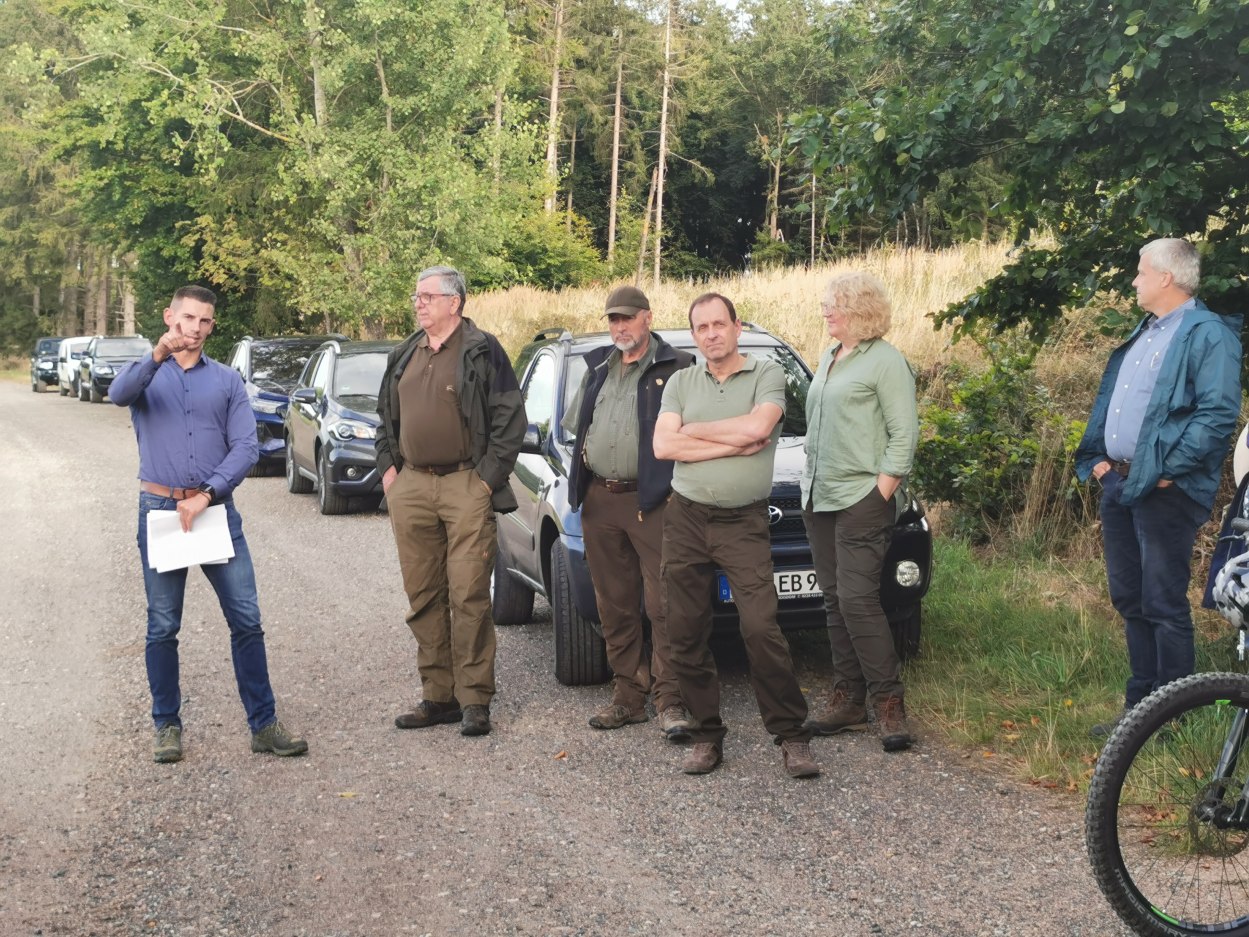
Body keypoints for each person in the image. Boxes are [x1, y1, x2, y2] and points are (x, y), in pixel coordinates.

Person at [110, 285, 308, 764]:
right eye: (187, 319)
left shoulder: (226, 381)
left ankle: (263, 725)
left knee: (246, 620)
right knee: (162, 625)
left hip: (215, 513)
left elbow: (246, 447)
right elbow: (118, 395)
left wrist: (207, 493)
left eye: (204, 321)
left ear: (212, 326)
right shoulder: (146, 376)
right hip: (160, 513)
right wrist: (157, 352)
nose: (195, 329)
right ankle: (166, 727)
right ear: (170, 317)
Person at [1075, 238, 1242, 737]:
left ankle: (1172, 717)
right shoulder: (1148, 330)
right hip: (1120, 482)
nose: (1134, 280)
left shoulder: (1208, 334)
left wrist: (1167, 470)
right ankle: (1139, 713)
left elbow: (1217, 415)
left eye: (1141, 272)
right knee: (1129, 598)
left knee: (1163, 603)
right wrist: (1103, 466)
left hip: (1165, 489)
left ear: (1167, 277)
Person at [653, 292, 819, 778]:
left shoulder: (767, 374)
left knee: (761, 629)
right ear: (694, 334)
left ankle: (791, 736)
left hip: (743, 522)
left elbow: (760, 428)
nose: (710, 334)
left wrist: (696, 434)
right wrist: (734, 437)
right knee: (684, 631)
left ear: (736, 327)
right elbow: (664, 444)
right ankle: (707, 737)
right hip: (685, 518)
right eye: (701, 327)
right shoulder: (681, 380)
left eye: (718, 325)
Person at [376, 266, 525, 738]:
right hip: (412, 486)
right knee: (423, 594)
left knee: (469, 594)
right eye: (416, 296)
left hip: (466, 484)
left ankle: (474, 700)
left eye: (427, 296)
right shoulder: (405, 352)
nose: (418, 303)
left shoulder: (483, 350)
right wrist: (390, 472)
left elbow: (509, 419)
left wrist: (486, 481)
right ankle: (437, 696)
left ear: (454, 302)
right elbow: (383, 416)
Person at [562, 285, 695, 738]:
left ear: (647, 318)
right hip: (601, 500)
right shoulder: (597, 368)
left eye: (627, 318)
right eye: (613, 319)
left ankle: (671, 700)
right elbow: (575, 428)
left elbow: (694, 436)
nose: (619, 327)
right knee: (614, 606)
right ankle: (628, 697)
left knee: (664, 604)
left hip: (655, 501)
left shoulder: (678, 368)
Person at [800, 272, 919, 752]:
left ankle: (889, 703)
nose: (825, 311)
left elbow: (904, 433)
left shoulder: (886, 362)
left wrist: (881, 492)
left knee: (857, 599)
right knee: (833, 599)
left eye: (833, 304)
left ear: (858, 308)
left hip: (860, 499)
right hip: (818, 496)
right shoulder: (830, 356)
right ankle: (847, 701)